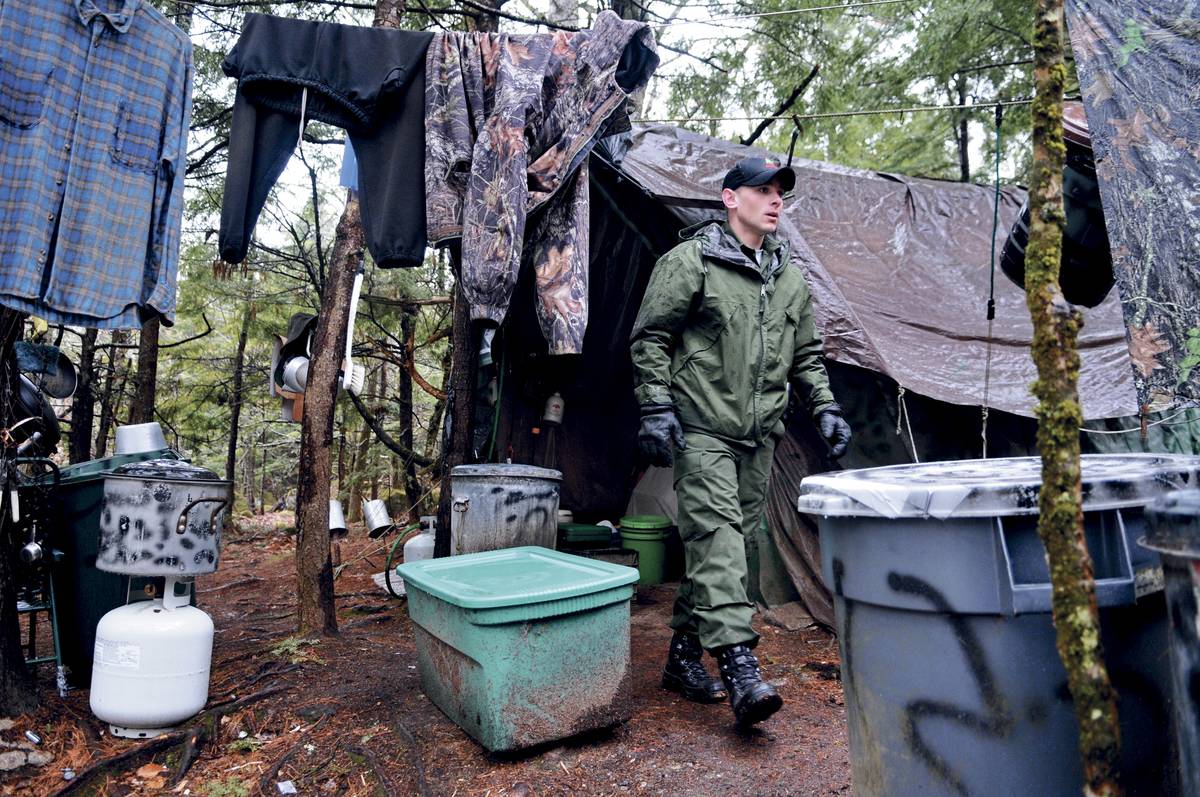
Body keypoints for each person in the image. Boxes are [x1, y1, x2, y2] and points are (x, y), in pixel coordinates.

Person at [629, 157, 851, 727]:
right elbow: (651, 336)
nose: (776, 200)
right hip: (701, 426)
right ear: (731, 198)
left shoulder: (789, 278)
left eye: (781, 193)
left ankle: (682, 657)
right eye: (763, 190)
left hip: (761, 435)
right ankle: (739, 665)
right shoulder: (691, 261)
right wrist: (656, 405)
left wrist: (824, 406)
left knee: (728, 547)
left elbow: (805, 355)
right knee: (717, 534)